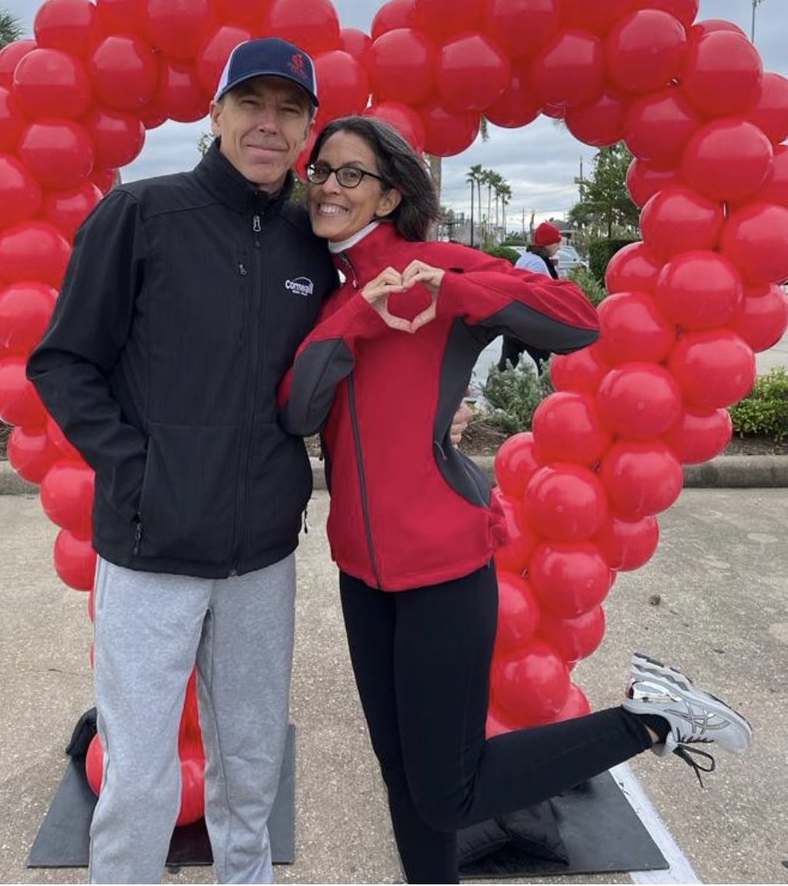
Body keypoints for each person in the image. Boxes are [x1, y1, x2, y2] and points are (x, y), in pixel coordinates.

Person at [278, 115, 752, 886]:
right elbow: (297, 411)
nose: (329, 186)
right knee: (403, 778)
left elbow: (576, 320)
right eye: (321, 171)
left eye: (351, 173)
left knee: (447, 788)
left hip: (441, 564)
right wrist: (362, 319)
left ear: (391, 193)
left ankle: (654, 718)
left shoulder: (436, 263)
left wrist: (451, 289)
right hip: (362, 573)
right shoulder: (333, 298)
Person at [26, 37, 340, 885]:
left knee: (250, 766)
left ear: (308, 127)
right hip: (149, 548)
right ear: (216, 113)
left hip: (260, 558)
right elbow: (62, 361)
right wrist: (138, 470)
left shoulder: (314, 242)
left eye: (288, 110)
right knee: (138, 777)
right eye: (251, 104)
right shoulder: (142, 215)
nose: (268, 125)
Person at [497, 220, 563, 373]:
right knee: (546, 367)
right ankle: (547, 395)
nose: (559, 247)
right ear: (548, 244)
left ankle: (492, 392)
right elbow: (536, 293)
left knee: (506, 365)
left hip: (514, 323)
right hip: (530, 325)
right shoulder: (538, 264)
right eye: (556, 243)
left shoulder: (525, 258)